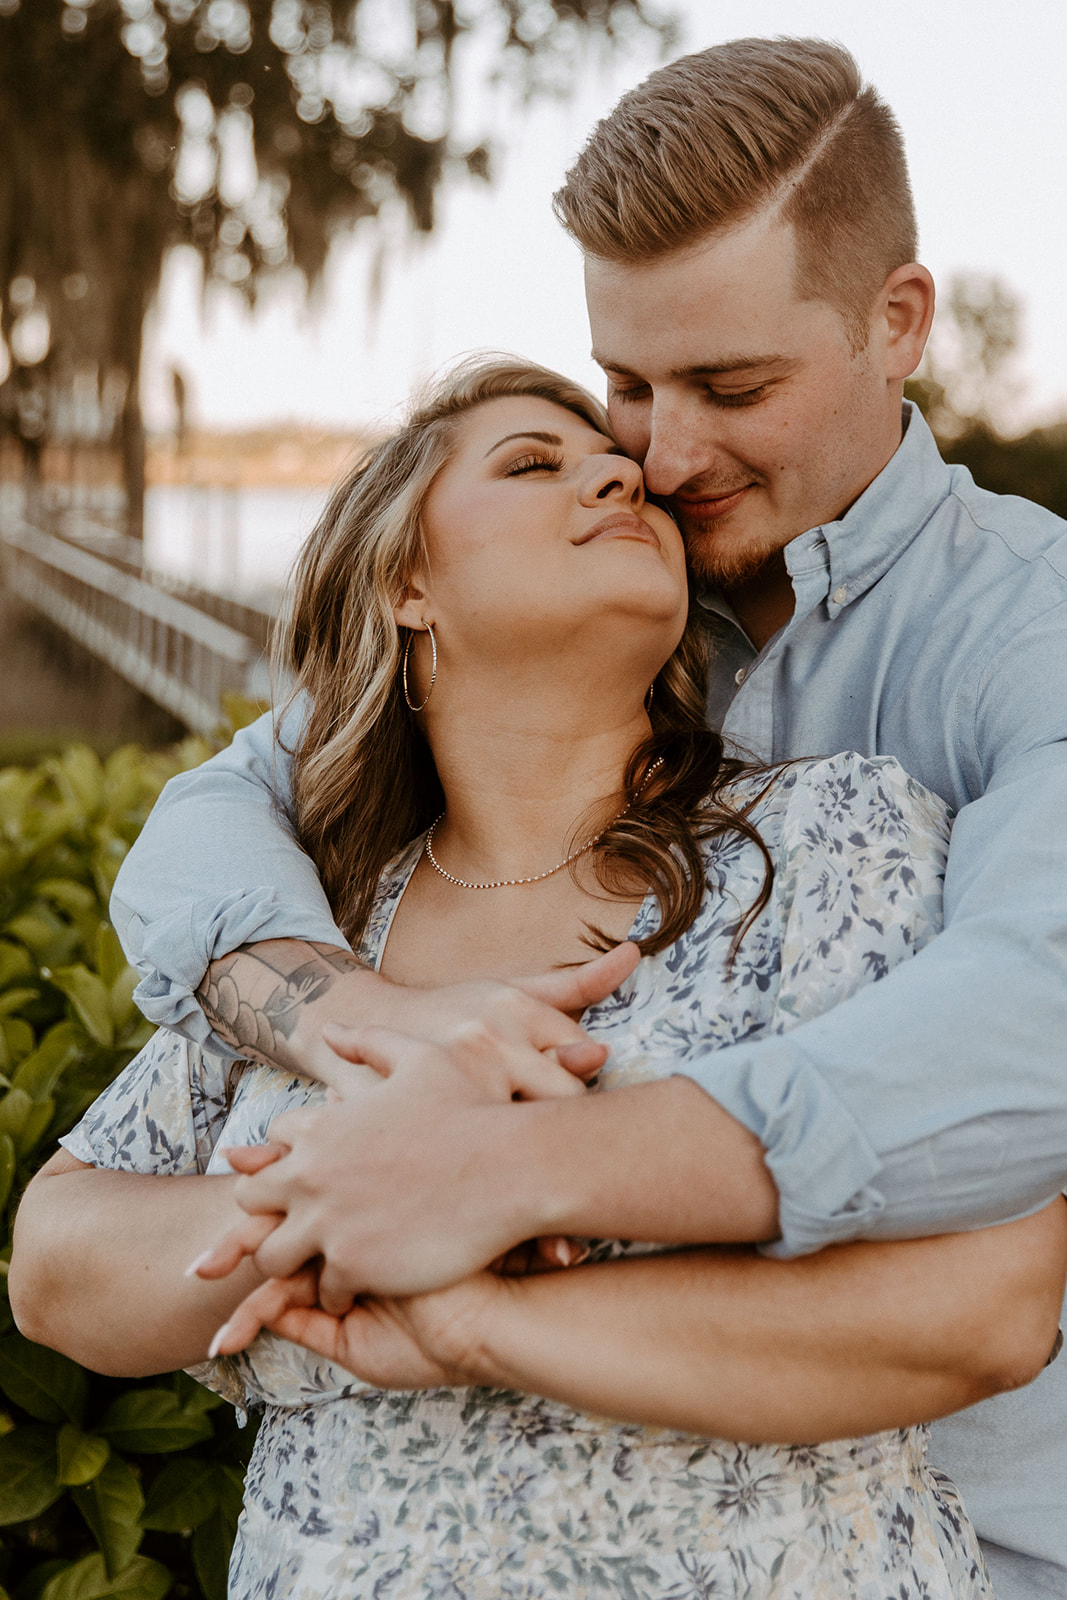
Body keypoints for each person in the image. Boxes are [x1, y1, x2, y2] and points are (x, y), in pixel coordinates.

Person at [15, 36, 1067, 1599]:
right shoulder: (437, 776)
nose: (661, 457)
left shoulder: (1009, 649)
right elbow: (215, 820)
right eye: (625, 385)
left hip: (960, 1536)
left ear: (896, 322)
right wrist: (363, 1025)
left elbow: (1028, 1025)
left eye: (733, 387)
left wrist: (497, 1186)